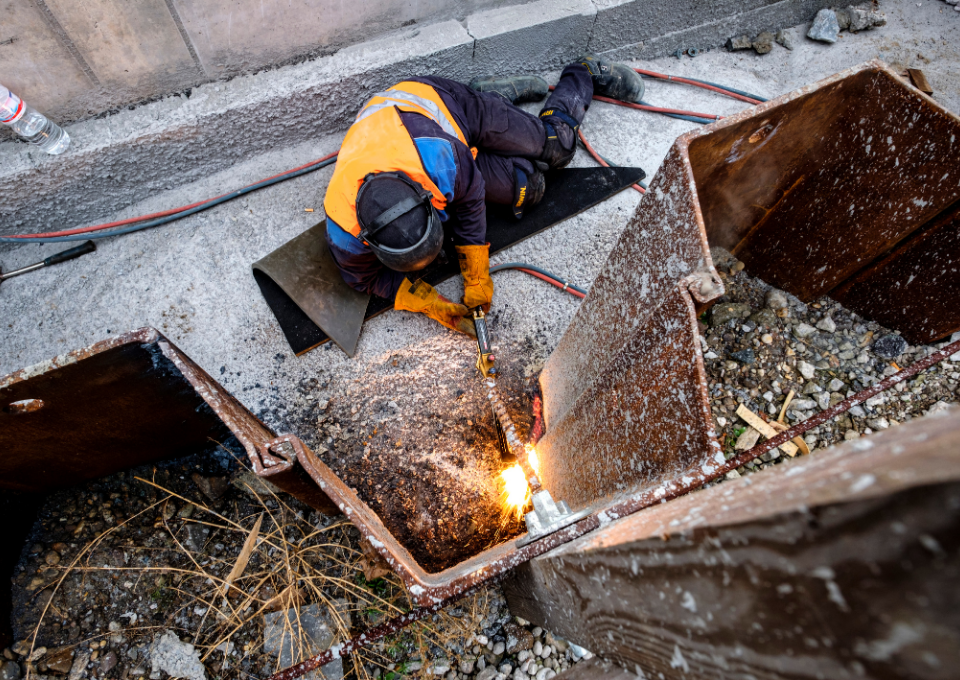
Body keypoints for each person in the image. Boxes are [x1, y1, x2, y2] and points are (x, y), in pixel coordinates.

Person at [322, 54, 644, 336]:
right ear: (368, 241)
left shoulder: (439, 161)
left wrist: (476, 272)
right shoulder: (343, 231)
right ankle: (501, 110)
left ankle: (583, 71)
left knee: (557, 149)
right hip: (426, 139)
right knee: (529, 186)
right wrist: (428, 303)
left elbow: (471, 198)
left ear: (425, 196)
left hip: (447, 105)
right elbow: (362, 280)